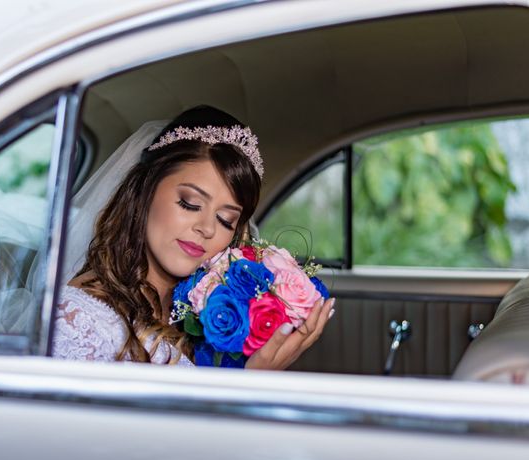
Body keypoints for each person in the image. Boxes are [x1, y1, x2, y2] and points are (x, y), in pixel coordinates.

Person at [52, 105, 336, 368]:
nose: (207, 229)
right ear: (144, 191)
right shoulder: (77, 320)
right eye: (189, 203)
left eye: (226, 220)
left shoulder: (210, 313)